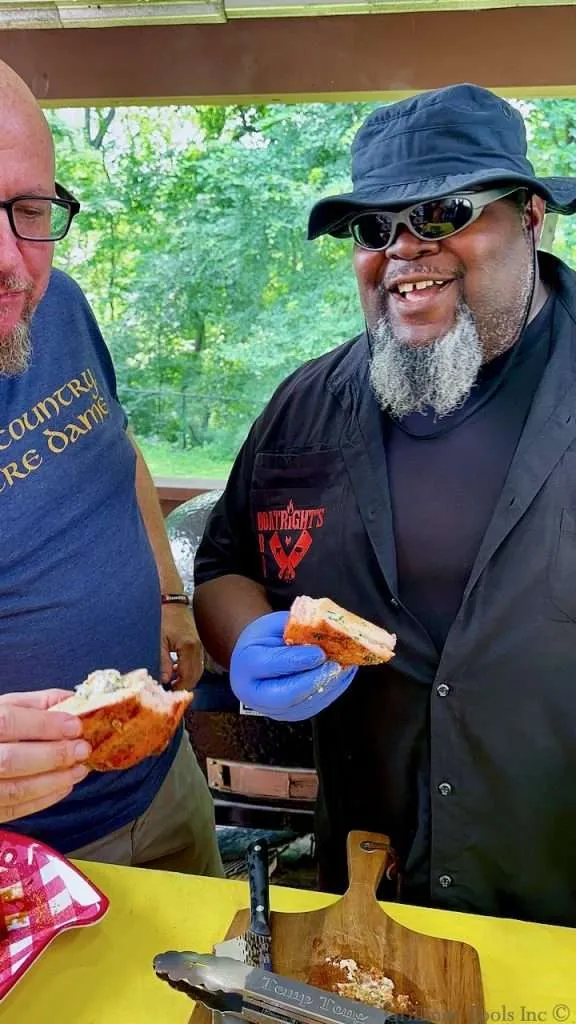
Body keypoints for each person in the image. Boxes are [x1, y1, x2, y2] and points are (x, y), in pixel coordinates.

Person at [193, 83, 576, 926]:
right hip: (368, 888)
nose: (404, 249)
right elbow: (224, 566)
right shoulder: (304, 408)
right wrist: (250, 639)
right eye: (374, 228)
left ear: (532, 214)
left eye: (442, 212)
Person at [0, 60, 223, 877]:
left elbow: (115, 447)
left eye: (28, 209)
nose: (12, 264)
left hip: (162, 784)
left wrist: (170, 597)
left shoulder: (55, 306)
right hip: (30, 867)